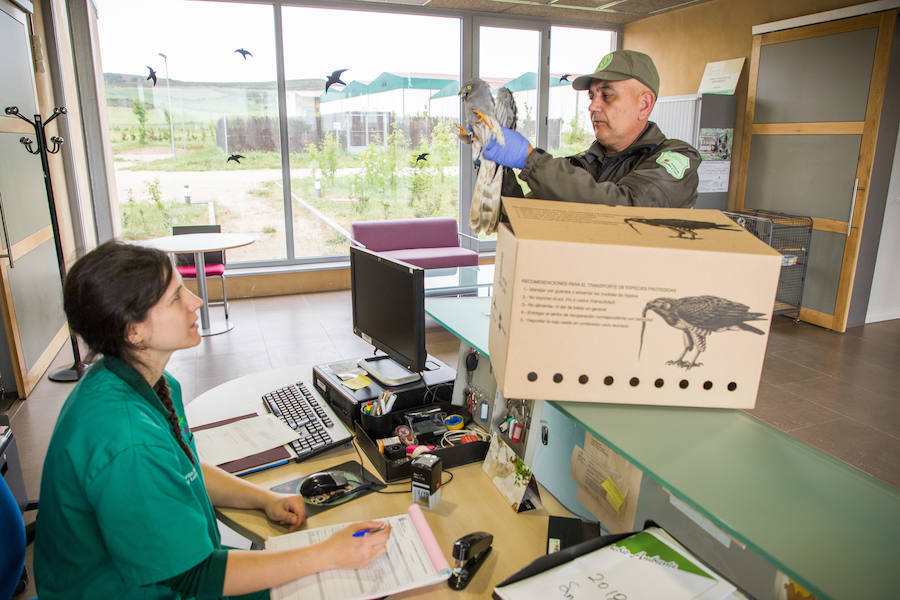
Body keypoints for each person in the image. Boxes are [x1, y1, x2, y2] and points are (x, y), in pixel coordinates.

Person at [33, 241, 391, 599]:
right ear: (133, 331)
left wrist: (261, 498)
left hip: (180, 570)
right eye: (175, 298)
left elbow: (184, 468)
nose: (196, 302)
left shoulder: (138, 380)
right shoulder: (127, 441)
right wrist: (327, 554)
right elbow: (196, 579)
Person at [484, 49, 700, 208]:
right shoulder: (583, 164)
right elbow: (525, 219)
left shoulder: (675, 158)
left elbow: (626, 208)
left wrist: (531, 160)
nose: (593, 106)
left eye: (606, 95)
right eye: (592, 96)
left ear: (644, 104)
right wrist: (498, 172)